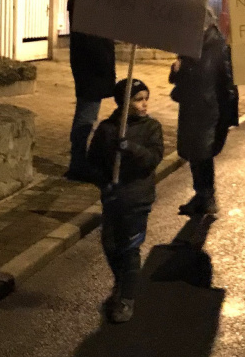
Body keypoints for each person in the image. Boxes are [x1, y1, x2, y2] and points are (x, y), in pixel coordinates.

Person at [87, 79, 164, 323]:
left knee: (130, 248)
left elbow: (153, 158)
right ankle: (122, 281)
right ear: (124, 102)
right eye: (138, 99)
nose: (144, 104)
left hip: (137, 198)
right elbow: (94, 161)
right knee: (110, 244)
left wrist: (130, 148)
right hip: (113, 198)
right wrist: (104, 182)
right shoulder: (108, 128)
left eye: (145, 99)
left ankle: (126, 299)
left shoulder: (151, 127)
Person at [170, 9, 239, 216]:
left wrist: (228, 114)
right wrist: (176, 70)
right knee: (194, 153)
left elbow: (228, 82)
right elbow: (179, 78)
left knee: (202, 153)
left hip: (210, 111)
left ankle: (207, 196)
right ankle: (201, 194)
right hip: (191, 107)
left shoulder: (218, 46)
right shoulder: (189, 45)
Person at [65, 0, 117, 181]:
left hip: (89, 70)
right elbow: (97, 45)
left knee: (87, 114)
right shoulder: (88, 14)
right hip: (91, 71)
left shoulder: (85, 5)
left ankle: (78, 161)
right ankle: (78, 164)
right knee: (86, 117)